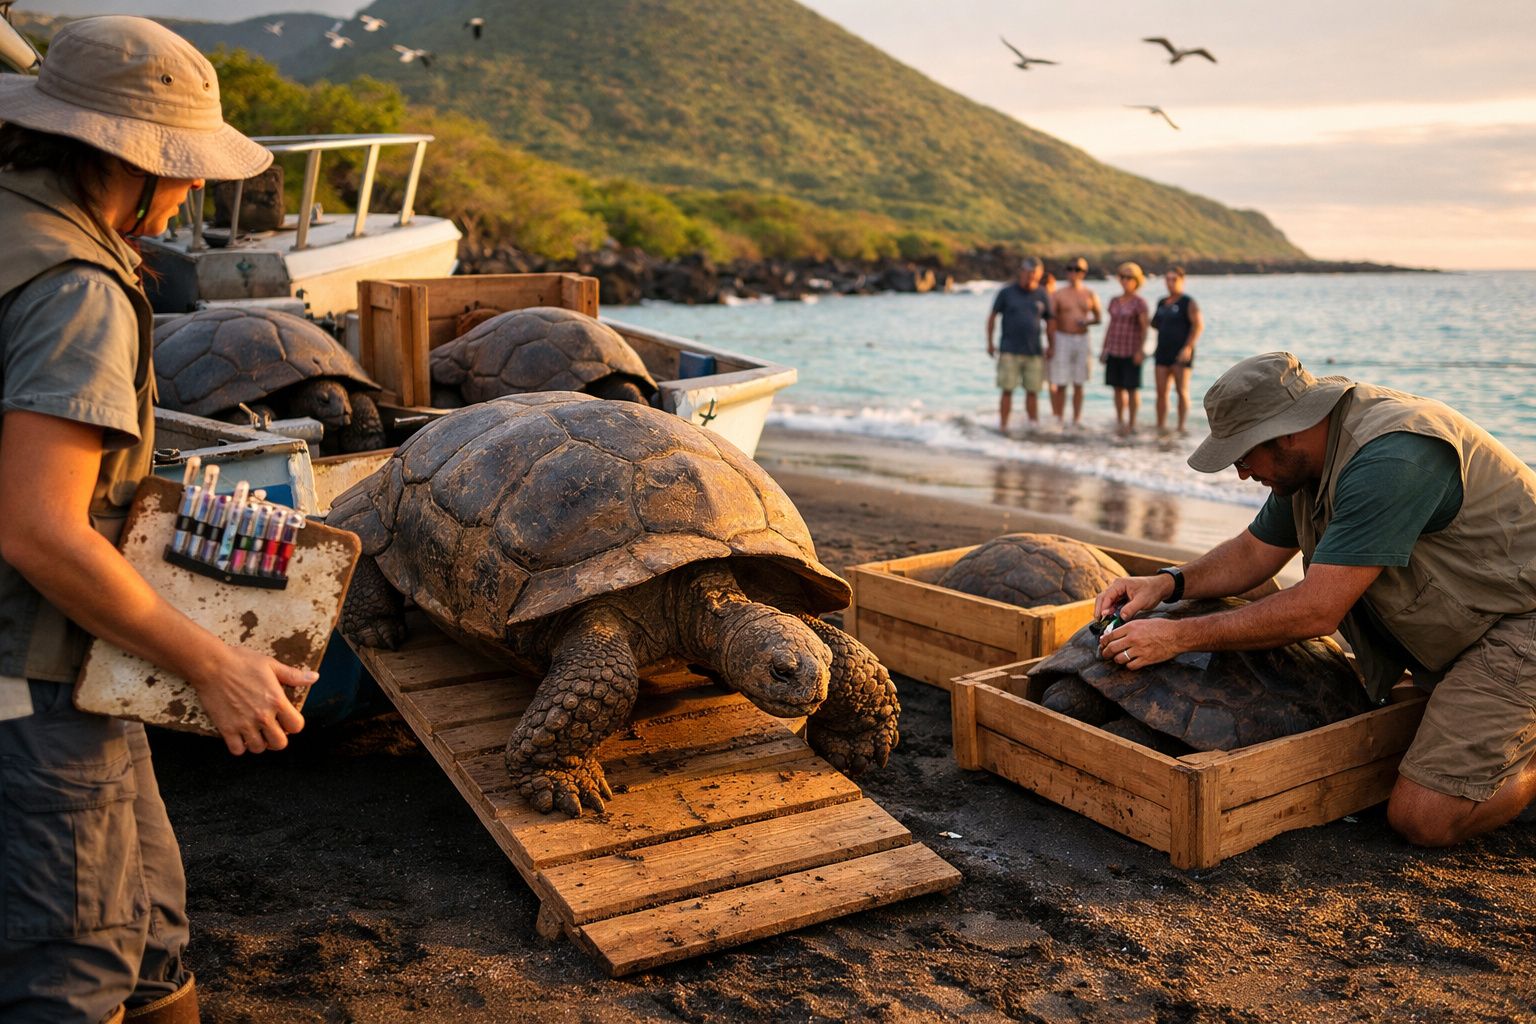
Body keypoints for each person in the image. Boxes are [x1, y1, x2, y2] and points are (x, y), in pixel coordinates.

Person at [0, 18, 315, 1023]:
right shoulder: (75, 289)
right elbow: (40, 530)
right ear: (129, 162)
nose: (187, 196)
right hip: (29, 671)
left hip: (78, 661)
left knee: (150, 926)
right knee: (75, 966)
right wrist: (215, 663)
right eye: (182, 171)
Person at [1093, 352, 1536, 848]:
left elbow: (1316, 610)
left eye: (1242, 457)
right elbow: (1254, 553)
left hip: (1519, 621)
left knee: (1422, 817)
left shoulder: (1390, 458)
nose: (1241, 474)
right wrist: (1167, 583)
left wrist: (1174, 636)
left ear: (1285, 432)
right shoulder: (1305, 460)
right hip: (1465, 621)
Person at [985, 257, 1053, 433]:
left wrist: (1051, 345)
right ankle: (1003, 426)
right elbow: (992, 317)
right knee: (1007, 390)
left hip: (1034, 350)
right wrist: (990, 343)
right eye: (1028, 273)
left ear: (1039, 275)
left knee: (1033, 391)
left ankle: (1033, 427)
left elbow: (1050, 321)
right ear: (1021, 272)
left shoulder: (1042, 293)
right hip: (1009, 349)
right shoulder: (1006, 292)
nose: (1030, 277)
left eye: (1034, 274)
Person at [1045, 256, 1101, 432]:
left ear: (1083, 273)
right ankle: (1059, 420)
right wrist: (1051, 344)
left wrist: (1087, 322)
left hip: (1082, 339)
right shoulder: (1059, 294)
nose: (1073, 273)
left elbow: (1099, 318)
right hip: (1063, 338)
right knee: (1060, 382)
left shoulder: (1090, 294)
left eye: (1077, 269)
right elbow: (1051, 321)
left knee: (1079, 382)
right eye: (1070, 269)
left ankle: (1076, 420)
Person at [1151, 266, 1202, 438]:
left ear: (1182, 280)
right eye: (1168, 279)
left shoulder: (1188, 302)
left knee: (1181, 391)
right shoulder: (1161, 302)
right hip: (1162, 352)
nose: (1170, 283)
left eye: (1174, 279)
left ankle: (1181, 427)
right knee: (1160, 392)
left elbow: (1198, 326)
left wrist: (1187, 347)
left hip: (1181, 352)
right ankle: (1160, 426)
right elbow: (1154, 324)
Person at [1099, 261, 1149, 437]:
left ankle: (1132, 423)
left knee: (1132, 389)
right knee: (1117, 388)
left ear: (1137, 280)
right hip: (1114, 350)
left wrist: (1140, 351)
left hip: (1131, 351)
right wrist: (1104, 348)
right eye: (1123, 277)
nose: (1126, 280)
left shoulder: (1140, 303)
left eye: (1130, 277)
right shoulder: (1114, 300)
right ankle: (1120, 420)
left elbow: (1144, 329)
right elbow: (1110, 325)